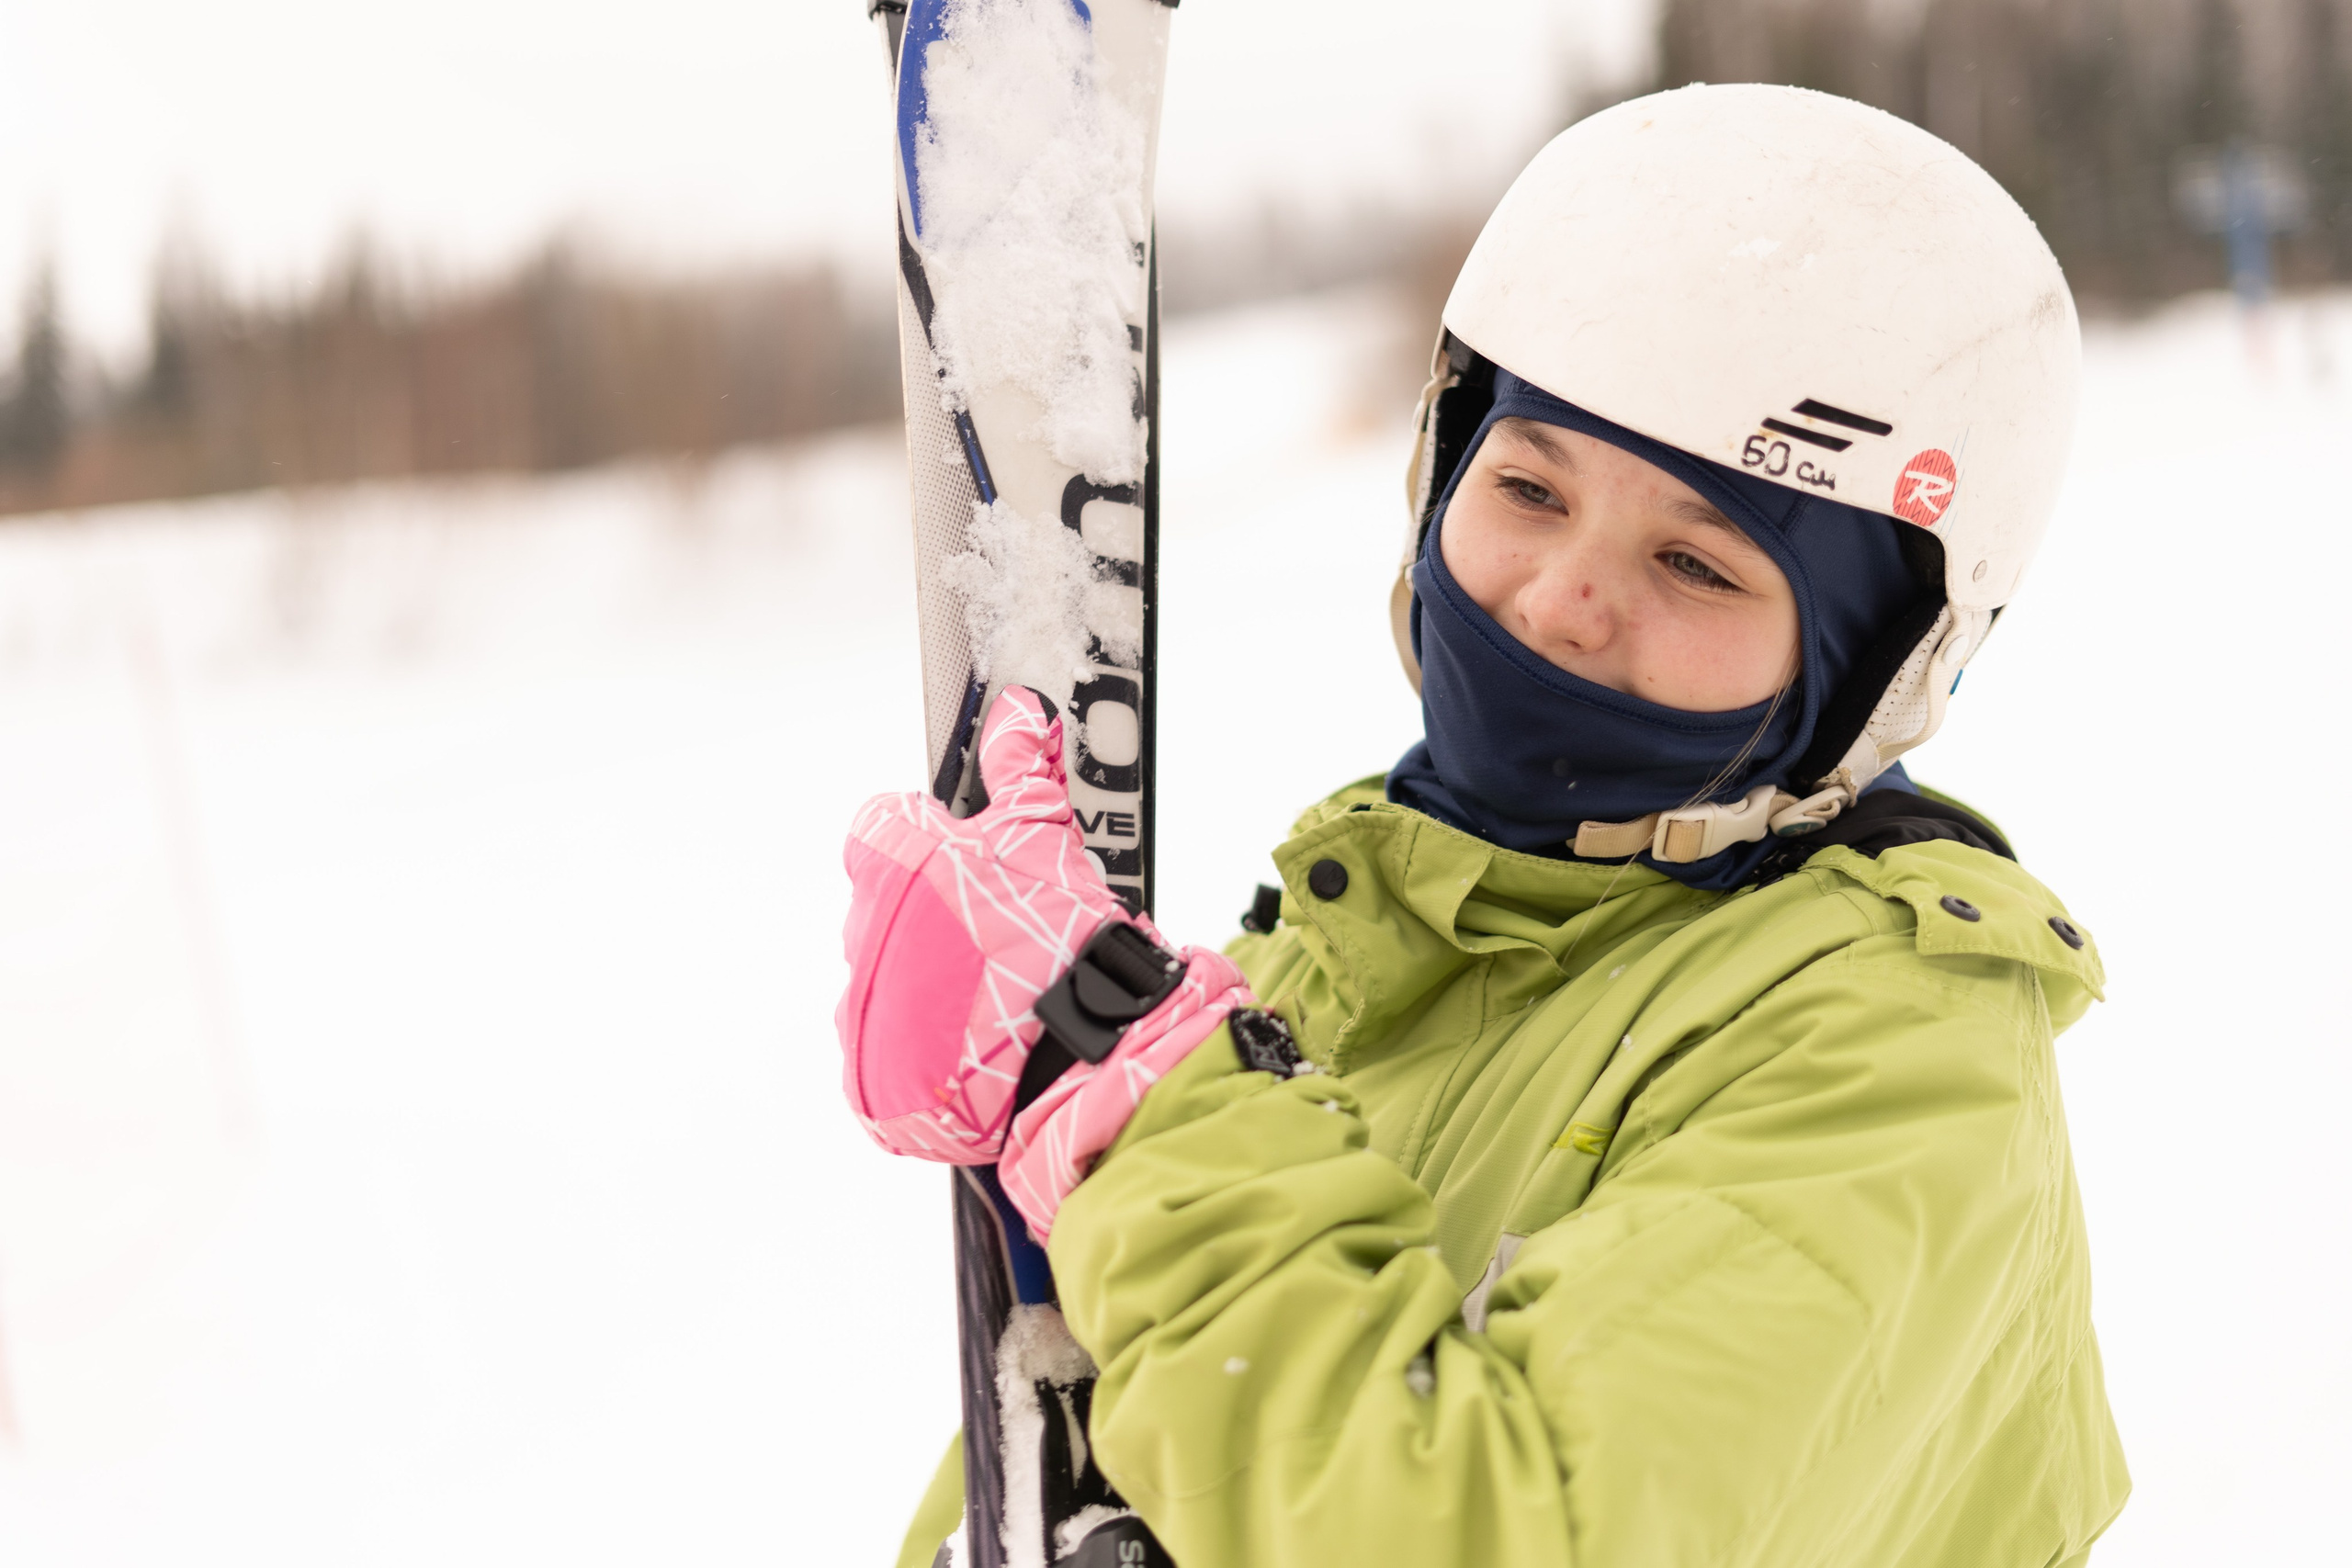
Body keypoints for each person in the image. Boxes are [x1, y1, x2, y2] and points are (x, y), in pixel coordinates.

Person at [842, 84, 2129, 1568]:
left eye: (1700, 565)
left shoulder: (1898, 1060)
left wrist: (1116, 1085)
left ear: (1871, 668)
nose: (1564, 597)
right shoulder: (1378, 944)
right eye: (1527, 485)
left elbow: (1483, 1531)